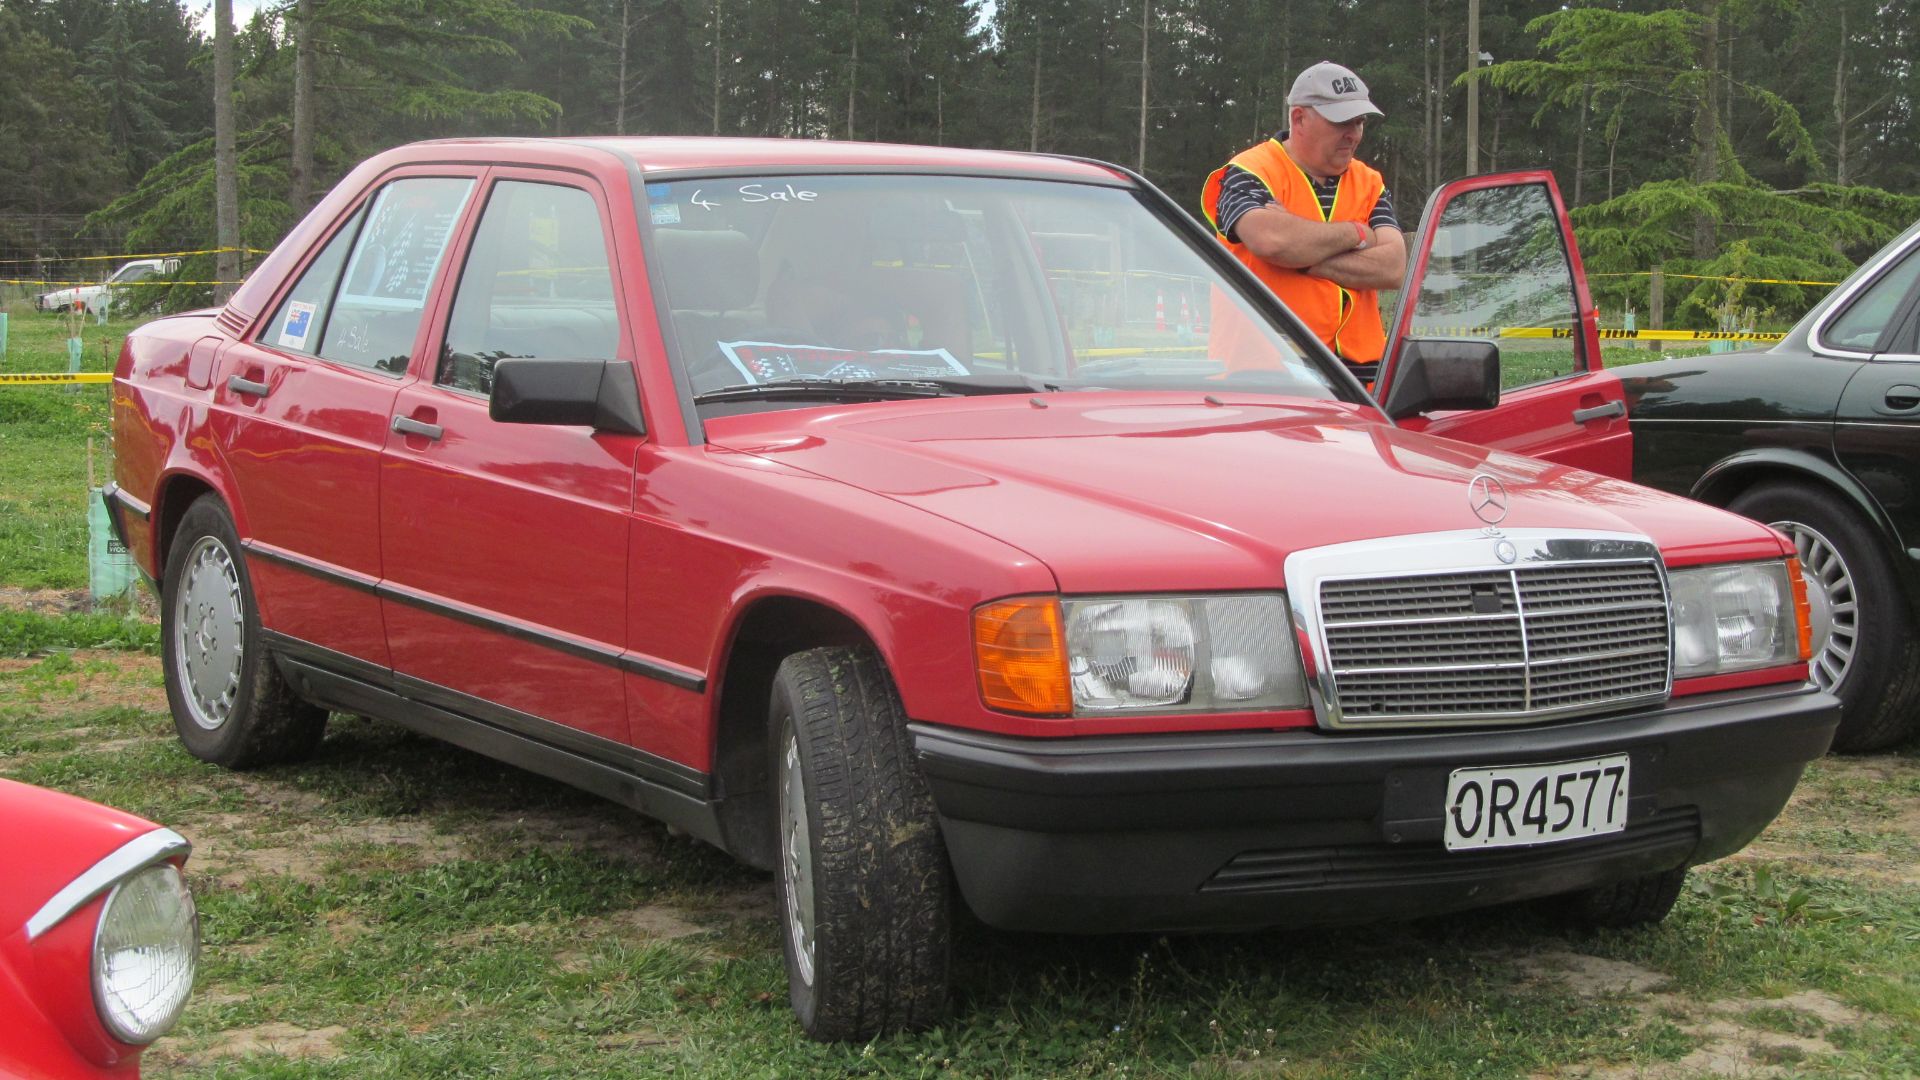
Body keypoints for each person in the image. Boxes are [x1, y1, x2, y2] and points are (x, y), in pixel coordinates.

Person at [1202, 61, 1407, 380]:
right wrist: (1356, 233)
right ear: (1299, 118)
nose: (1353, 135)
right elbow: (1270, 241)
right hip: (1260, 382)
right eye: (1342, 122)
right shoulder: (1249, 172)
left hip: (1359, 386)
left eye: (1360, 122)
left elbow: (1393, 267)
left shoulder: (1370, 182)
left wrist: (1300, 258)